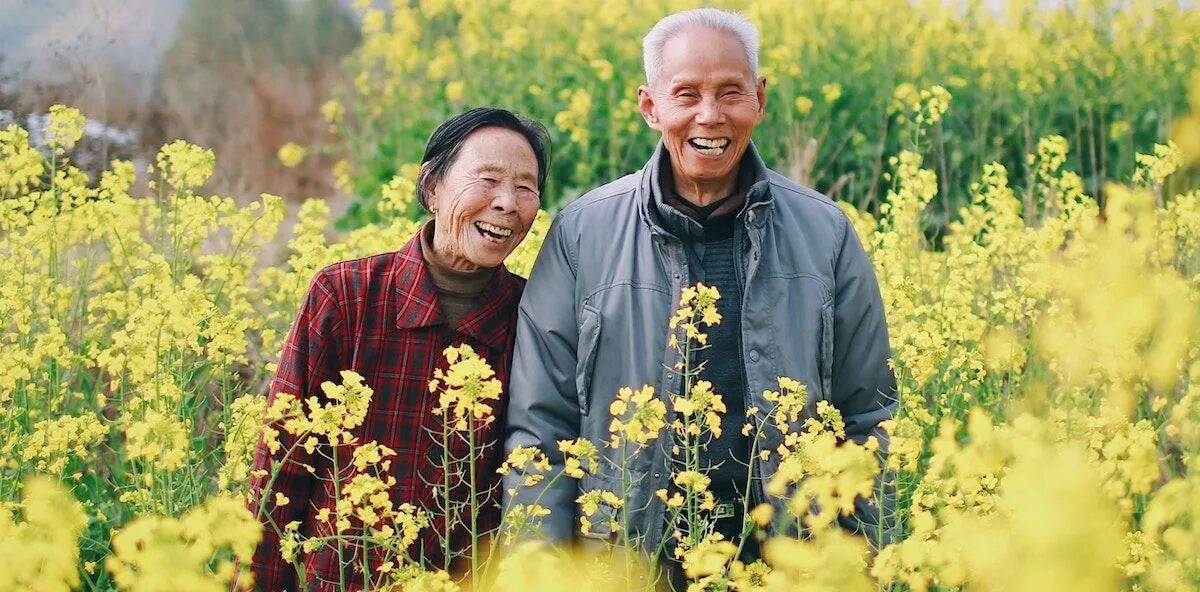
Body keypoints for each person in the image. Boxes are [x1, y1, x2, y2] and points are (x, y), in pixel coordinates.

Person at [502, 6, 896, 580]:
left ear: (759, 99)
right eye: (686, 94)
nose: (709, 116)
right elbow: (541, 426)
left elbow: (869, 417)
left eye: (730, 93)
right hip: (630, 561)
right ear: (650, 106)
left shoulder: (826, 233)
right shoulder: (582, 234)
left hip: (790, 562)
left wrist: (853, 563)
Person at [245, 107, 550, 591]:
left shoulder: (536, 315)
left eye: (526, 188)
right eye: (487, 179)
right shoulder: (346, 295)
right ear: (432, 189)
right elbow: (280, 469)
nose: (507, 203)